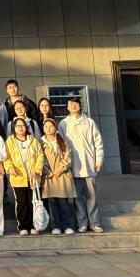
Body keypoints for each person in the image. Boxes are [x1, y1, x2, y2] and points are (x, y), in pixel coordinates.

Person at [60, 97, 104, 233]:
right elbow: (61, 145)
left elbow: (98, 141)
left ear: (80, 105)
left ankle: (95, 223)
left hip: (89, 163)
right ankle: (82, 223)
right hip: (73, 165)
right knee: (77, 197)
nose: (73, 106)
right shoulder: (64, 124)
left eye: (76, 103)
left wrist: (99, 159)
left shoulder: (89, 122)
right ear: (67, 107)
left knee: (92, 196)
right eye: (70, 104)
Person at [4, 117, 44, 235]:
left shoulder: (33, 140)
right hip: (18, 177)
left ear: (26, 127)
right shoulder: (10, 141)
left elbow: (40, 156)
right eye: (18, 126)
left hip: (33, 177)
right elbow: (6, 157)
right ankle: (23, 226)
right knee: (21, 202)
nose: (20, 128)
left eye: (22, 125)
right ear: (14, 128)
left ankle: (34, 225)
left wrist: (37, 170)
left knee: (33, 201)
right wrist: (10, 168)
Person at [40, 117, 75, 234]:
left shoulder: (62, 140)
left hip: (62, 176)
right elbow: (39, 159)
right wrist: (47, 171)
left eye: (51, 126)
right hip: (49, 176)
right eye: (46, 127)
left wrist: (60, 169)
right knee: (52, 202)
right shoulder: (41, 143)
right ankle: (56, 226)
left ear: (55, 127)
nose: (48, 128)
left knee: (64, 202)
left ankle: (67, 226)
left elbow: (68, 156)